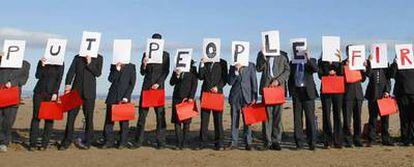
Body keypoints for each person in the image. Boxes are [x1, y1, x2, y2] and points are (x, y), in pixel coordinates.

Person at [59, 54, 103, 150]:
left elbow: (98, 73)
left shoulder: (99, 57)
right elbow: (71, 71)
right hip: (75, 91)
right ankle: (67, 140)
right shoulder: (77, 57)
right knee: (70, 118)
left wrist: (89, 62)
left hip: (90, 92)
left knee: (89, 118)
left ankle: (88, 141)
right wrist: (67, 84)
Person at [134, 33, 170, 149]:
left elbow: (166, 71)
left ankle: (161, 142)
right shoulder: (146, 54)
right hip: (146, 88)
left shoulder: (165, 55)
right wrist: (144, 64)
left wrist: (158, 83)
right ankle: (138, 141)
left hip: (158, 89)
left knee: (160, 116)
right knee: (142, 116)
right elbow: (142, 72)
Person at [256, 50, 290, 150]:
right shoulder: (262, 54)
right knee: (266, 116)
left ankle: (276, 141)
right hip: (266, 89)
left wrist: (278, 81)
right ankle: (267, 141)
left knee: (277, 116)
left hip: (278, 89)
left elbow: (287, 71)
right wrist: (263, 56)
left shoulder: (283, 54)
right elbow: (258, 68)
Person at [29, 57, 64, 151]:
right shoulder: (42, 61)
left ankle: (44, 144)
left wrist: (55, 93)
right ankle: (32, 143)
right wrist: (42, 65)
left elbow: (59, 79)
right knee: (36, 117)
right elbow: (37, 75)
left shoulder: (60, 62)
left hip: (51, 93)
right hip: (39, 92)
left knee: (49, 119)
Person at [287, 50, 318, 150]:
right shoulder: (292, 62)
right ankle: (299, 143)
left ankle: (312, 142)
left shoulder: (312, 60)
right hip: (296, 92)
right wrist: (290, 91)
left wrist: (308, 58)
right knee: (297, 119)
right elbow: (290, 77)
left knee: (310, 118)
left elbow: (315, 69)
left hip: (308, 93)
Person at [101, 62, 136, 149]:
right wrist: (116, 69)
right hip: (112, 96)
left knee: (124, 122)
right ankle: (108, 141)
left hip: (124, 97)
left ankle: (122, 142)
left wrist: (126, 97)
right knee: (109, 121)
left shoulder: (131, 66)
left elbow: (132, 84)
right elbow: (110, 79)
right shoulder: (113, 65)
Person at [0, 55, 30, 153]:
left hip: (13, 95)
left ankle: (4, 142)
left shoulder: (25, 64)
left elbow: (24, 80)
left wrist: (12, 83)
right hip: (1, 93)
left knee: (8, 121)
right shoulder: (2, 62)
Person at [198, 57, 228, 150]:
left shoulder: (223, 62)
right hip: (206, 94)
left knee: (218, 120)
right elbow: (200, 76)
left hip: (217, 95)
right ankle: (202, 143)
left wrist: (218, 87)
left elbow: (225, 79)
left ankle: (219, 143)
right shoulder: (206, 62)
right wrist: (202, 64)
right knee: (204, 120)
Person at [227, 61, 258, 151]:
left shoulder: (251, 65)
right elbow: (230, 82)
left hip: (247, 96)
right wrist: (236, 71)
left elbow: (254, 81)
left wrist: (254, 96)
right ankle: (234, 141)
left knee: (248, 121)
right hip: (235, 96)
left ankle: (248, 142)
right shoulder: (233, 66)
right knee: (234, 119)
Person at [318, 50, 344, 149]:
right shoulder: (321, 61)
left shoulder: (338, 61)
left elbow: (341, 73)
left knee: (337, 114)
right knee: (326, 115)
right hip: (326, 89)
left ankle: (338, 141)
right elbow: (320, 75)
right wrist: (327, 71)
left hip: (337, 89)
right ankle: (327, 141)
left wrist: (340, 61)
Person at [169, 60, 198, 150]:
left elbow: (194, 84)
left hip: (187, 99)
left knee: (186, 122)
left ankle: (184, 143)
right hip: (176, 98)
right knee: (177, 122)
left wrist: (191, 97)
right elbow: (171, 82)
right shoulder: (176, 69)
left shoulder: (193, 70)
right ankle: (178, 142)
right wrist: (177, 75)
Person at [342, 46, 366, 148]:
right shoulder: (343, 63)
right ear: (347, 52)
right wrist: (344, 67)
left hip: (358, 94)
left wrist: (364, 68)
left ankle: (357, 139)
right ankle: (348, 140)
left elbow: (364, 79)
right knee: (347, 119)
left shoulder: (359, 63)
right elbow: (340, 76)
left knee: (358, 119)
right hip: (347, 94)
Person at [389, 57, 413, 146]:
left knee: (412, 117)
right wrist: (395, 63)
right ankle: (405, 138)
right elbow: (391, 75)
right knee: (403, 117)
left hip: (412, 92)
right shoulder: (396, 64)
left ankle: (411, 137)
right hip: (401, 93)